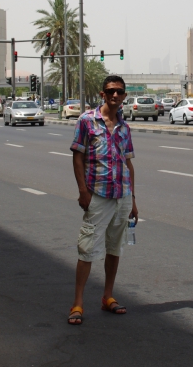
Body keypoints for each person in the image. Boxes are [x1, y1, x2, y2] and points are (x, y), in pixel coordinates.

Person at [68, 75, 138, 326]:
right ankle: (77, 302)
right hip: (97, 194)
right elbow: (78, 157)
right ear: (102, 94)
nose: (115, 96)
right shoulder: (87, 121)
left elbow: (128, 163)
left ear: (125, 95)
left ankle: (107, 296)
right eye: (111, 91)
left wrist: (133, 200)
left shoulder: (124, 127)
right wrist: (82, 191)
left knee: (114, 249)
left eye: (119, 92)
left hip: (122, 195)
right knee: (87, 249)